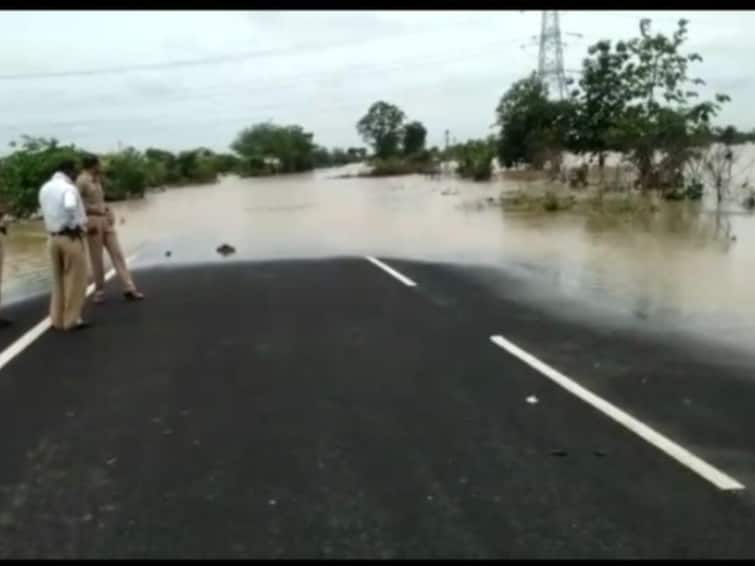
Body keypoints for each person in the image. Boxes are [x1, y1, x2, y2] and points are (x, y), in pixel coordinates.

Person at [76, 154, 143, 303]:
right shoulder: (81, 181)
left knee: (117, 254)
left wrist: (109, 211)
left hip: (105, 220)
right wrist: (86, 222)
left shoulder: (98, 179)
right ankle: (99, 291)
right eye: (99, 164)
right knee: (97, 258)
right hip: (92, 220)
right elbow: (77, 204)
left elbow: (101, 200)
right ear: (93, 165)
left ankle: (129, 288)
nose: (102, 166)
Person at [38, 160, 91, 331]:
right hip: (69, 237)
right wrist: (74, 226)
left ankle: (56, 318)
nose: (76, 175)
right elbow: (70, 206)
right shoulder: (68, 188)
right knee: (76, 280)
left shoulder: (45, 188)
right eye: (74, 172)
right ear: (68, 171)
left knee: (58, 280)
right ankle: (71, 320)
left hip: (52, 238)